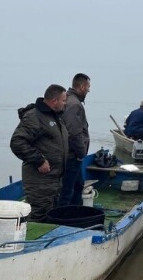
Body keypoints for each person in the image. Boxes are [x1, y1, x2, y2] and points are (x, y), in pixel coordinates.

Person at [10, 84, 69, 222]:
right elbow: (17, 142)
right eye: (63, 100)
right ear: (54, 101)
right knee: (38, 216)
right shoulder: (35, 117)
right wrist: (39, 160)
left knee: (50, 215)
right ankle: (29, 242)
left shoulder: (54, 116)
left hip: (54, 180)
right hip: (40, 182)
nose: (65, 104)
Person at [59, 73, 91, 206]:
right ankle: (62, 220)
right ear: (82, 86)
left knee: (78, 187)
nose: (89, 90)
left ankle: (75, 214)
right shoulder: (74, 104)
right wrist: (81, 153)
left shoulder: (70, 100)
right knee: (67, 191)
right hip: (72, 156)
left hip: (73, 155)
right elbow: (73, 133)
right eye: (88, 87)